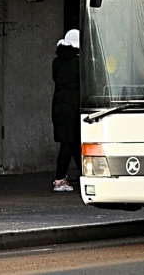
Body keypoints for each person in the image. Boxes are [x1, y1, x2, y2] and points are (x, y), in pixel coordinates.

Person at [51, 29, 82, 192]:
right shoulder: (79, 63)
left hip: (58, 105)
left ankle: (84, 174)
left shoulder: (57, 62)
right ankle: (59, 180)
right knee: (69, 144)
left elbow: (55, 79)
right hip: (73, 106)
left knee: (73, 142)